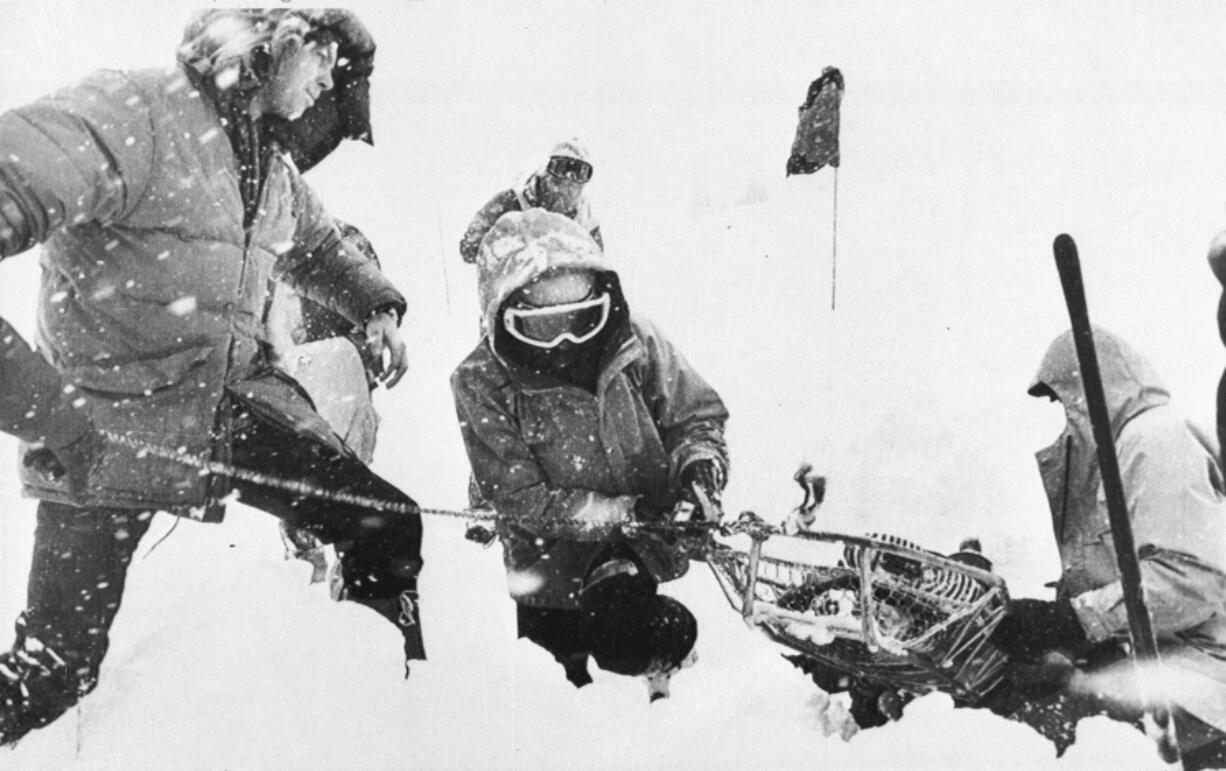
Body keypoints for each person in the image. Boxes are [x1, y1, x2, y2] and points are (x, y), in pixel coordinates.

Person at [0, 8, 426, 745]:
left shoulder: (268, 164)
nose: (329, 82)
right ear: (281, 39)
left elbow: (317, 247)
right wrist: (52, 415)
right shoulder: (137, 113)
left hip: (223, 411)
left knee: (382, 523)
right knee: (54, 673)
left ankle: (378, 722)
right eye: (325, 60)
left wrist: (376, 305)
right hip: (102, 434)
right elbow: (19, 165)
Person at [450, 208, 727, 698]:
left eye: (580, 320)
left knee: (629, 637)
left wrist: (698, 474)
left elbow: (695, 417)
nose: (565, 343)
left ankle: (664, 707)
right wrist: (626, 512)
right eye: (541, 327)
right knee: (556, 675)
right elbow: (522, 498)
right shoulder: (480, 382)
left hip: (636, 540)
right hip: (548, 559)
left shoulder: (635, 340)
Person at [986, 327, 1226, 768]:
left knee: (1040, 730)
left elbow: (1194, 582)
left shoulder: (1154, 441)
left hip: (1204, 676)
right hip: (1162, 662)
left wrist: (1075, 620)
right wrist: (1057, 623)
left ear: (1091, 385)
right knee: (1029, 693)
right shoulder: (1121, 449)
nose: (1064, 415)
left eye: (1063, 399)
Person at [458, 139, 603, 264]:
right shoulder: (511, 202)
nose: (567, 180)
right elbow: (469, 246)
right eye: (560, 168)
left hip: (568, 293)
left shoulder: (586, 220)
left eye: (580, 173)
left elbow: (599, 264)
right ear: (546, 171)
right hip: (516, 289)